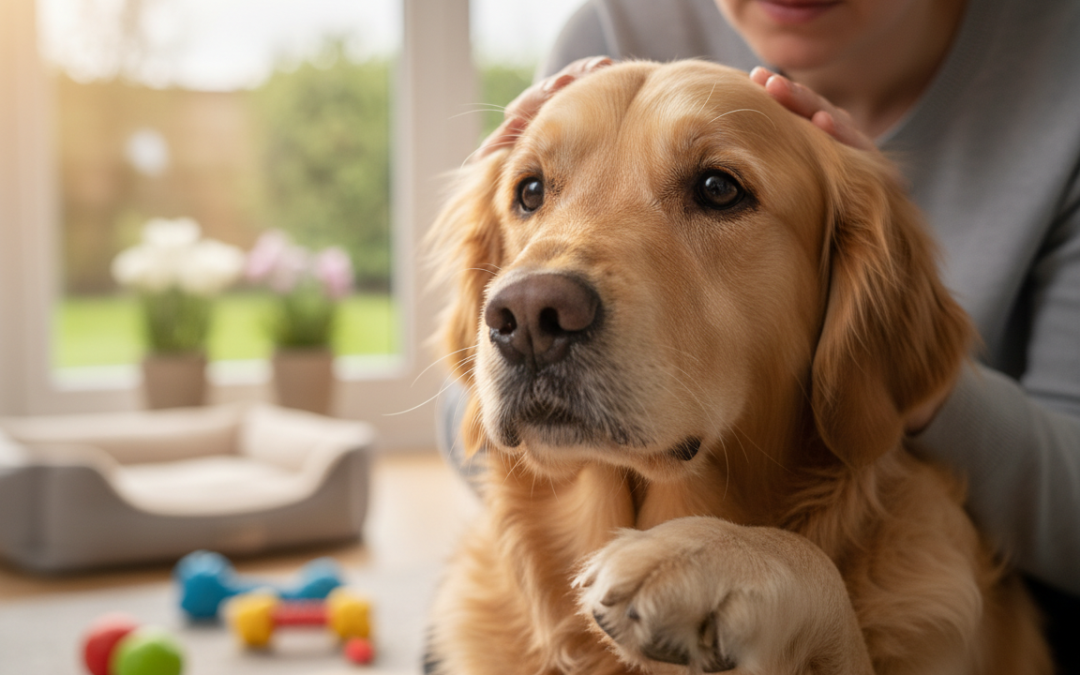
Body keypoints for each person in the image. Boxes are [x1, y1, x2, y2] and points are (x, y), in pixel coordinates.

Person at [441, 0, 1080, 666]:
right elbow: (470, 411)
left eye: (717, 189)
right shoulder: (610, 27)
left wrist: (895, 350)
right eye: (534, 190)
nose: (536, 303)